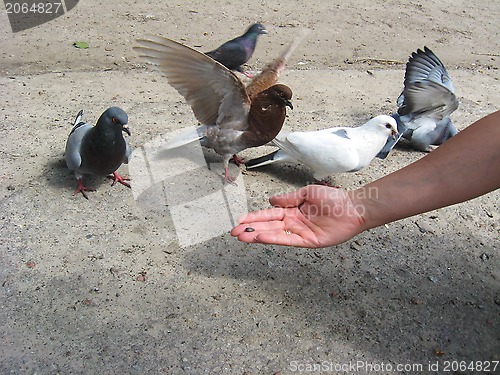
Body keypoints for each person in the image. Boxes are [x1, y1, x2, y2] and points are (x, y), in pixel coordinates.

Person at [231, 110, 500, 248]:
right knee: (344, 164)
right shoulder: (350, 155)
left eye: (394, 130)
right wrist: (359, 207)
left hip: (313, 150)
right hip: (301, 151)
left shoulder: (361, 146)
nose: (394, 134)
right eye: (389, 128)